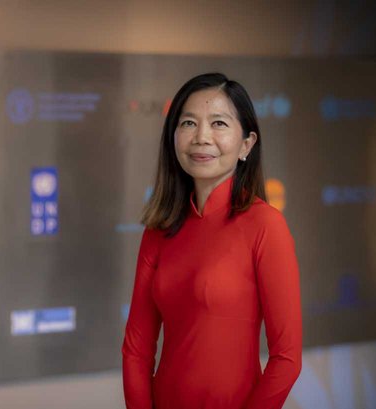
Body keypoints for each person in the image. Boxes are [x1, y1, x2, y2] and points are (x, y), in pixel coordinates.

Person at [121, 73, 302, 409]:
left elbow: (287, 359)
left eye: (218, 123)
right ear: (173, 137)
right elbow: (137, 349)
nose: (201, 137)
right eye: (188, 123)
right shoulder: (159, 229)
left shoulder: (266, 226)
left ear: (246, 144)